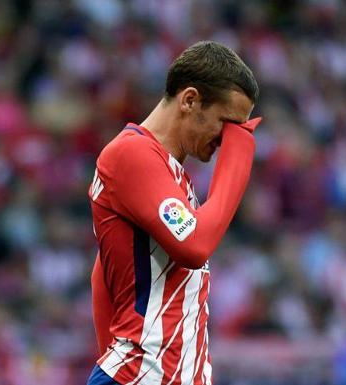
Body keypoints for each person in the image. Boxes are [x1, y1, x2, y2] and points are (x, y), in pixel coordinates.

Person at [86, 41, 261, 385]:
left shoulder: (169, 173)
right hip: (144, 376)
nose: (230, 138)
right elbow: (195, 246)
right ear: (190, 100)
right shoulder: (131, 154)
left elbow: (102, 274)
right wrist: (239, 159)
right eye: (227, 124)